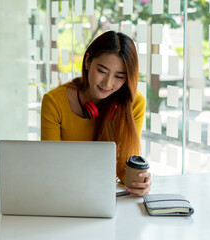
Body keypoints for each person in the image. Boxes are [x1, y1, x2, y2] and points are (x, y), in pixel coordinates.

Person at [41, 31, 151, 196]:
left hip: (102, 194)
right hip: (63, 191)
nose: (108, 83)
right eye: (102, 71)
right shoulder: (54, 102)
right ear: (87, 61)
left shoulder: (133, 103)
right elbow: (50, 165)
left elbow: (123, 168)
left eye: (119, 76)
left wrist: (138, 181)